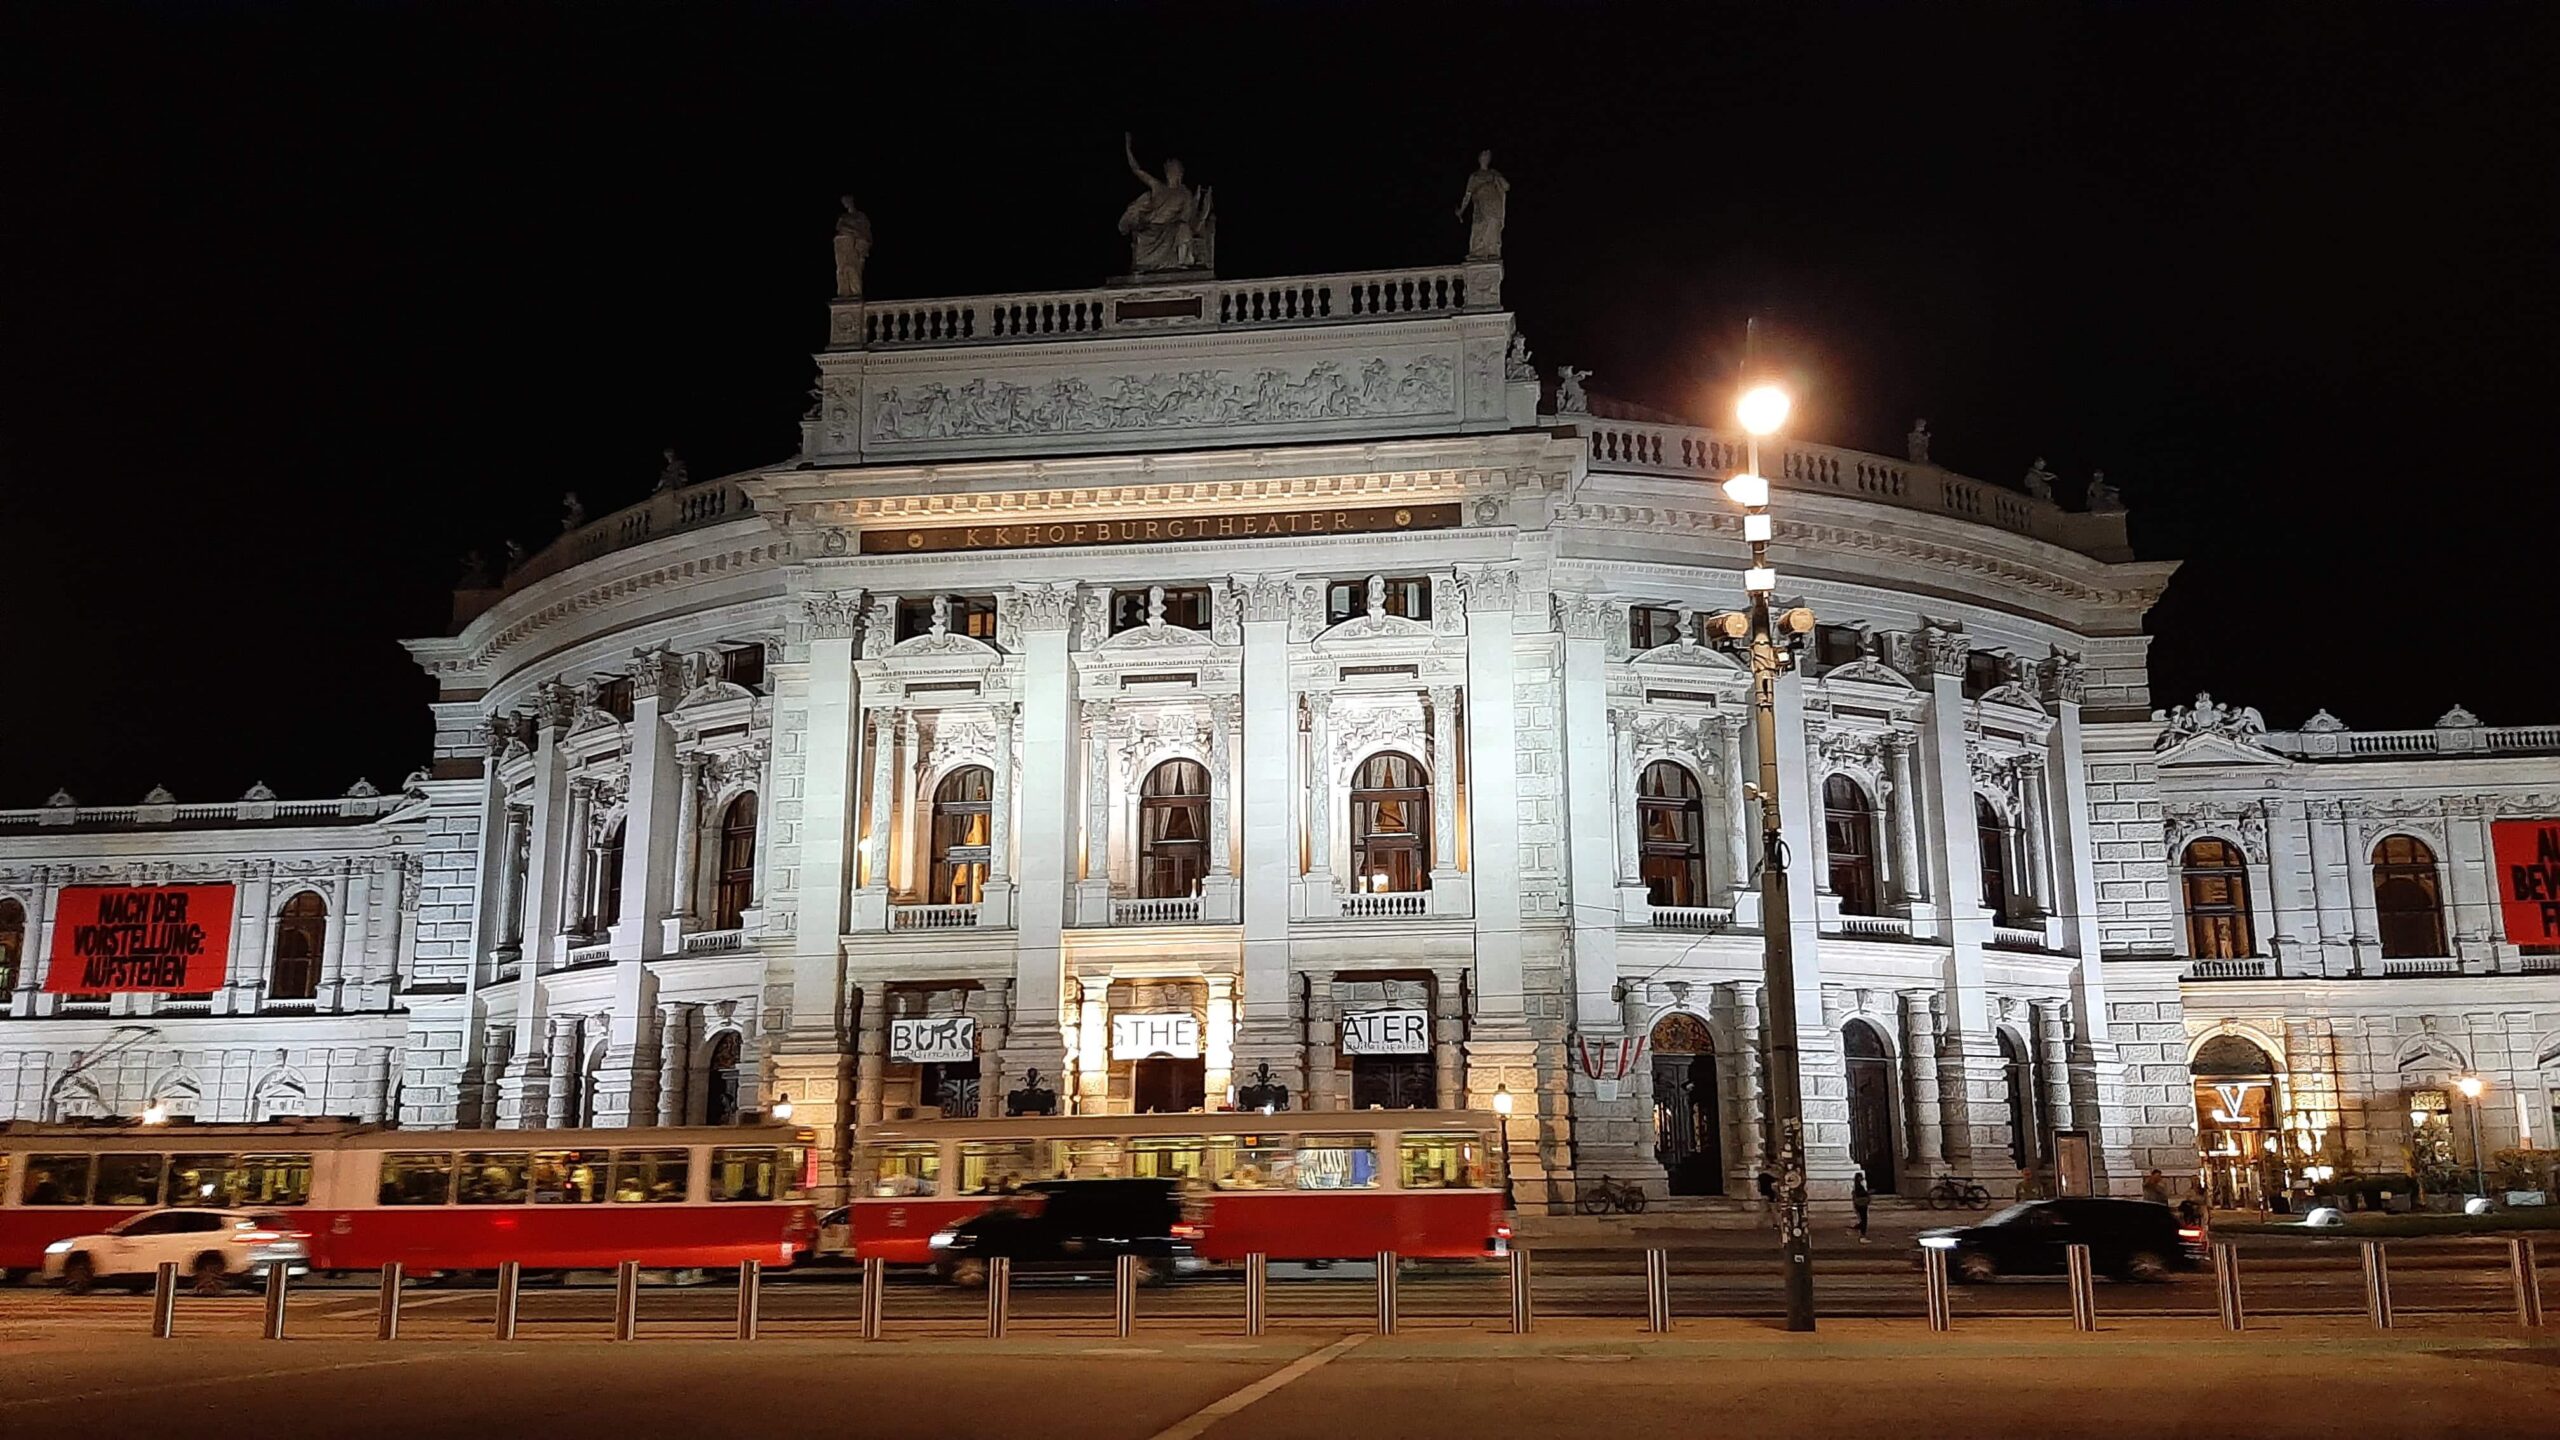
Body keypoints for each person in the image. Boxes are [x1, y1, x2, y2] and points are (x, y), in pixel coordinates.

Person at [1850, 1170, 1872, 1243]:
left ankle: (1858, 1229)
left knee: (1863, 1220)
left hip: (1860, 1204)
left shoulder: (1857, 1186)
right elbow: (1861, 1194)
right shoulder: (1859, 1187)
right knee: (1864, 1220)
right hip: (1862, 1204)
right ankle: (1862, 1235)